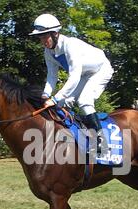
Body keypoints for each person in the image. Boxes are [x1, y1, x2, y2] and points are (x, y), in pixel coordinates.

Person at [29, 13, 114, 155]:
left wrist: (55, 99)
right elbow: (51, 76)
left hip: (100, 70)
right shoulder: (48, 52)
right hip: (84, 74)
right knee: (65, 102)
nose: (42, 41)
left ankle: (101, 141)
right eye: (40, 37)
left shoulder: (70, 45)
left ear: (55, 33)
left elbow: (74, 76)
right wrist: (45, 96)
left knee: (84, 101)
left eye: (45, 36)